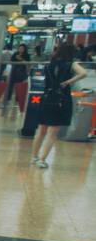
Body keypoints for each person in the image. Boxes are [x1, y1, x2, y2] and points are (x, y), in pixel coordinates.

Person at [30, 41, 88, 169]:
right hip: (61, 99)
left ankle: (34, 157)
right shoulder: (71, 64)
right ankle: (42, 160)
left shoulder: (50, 64)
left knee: (41, 130)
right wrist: (68, 82)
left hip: (46, 97)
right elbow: (84, 73)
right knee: (52, 132)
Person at [6, 44, 29, 120]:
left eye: (22, 48)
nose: (21, 49)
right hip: (14, 71)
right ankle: (8, 97)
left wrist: (21, 59)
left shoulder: (26, 55)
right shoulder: (15, 54)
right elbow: (11, 61)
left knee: (19, 86)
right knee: (11, 85)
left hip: (21, 72)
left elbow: (28, 63)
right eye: (20, 48)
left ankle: (17, 98)